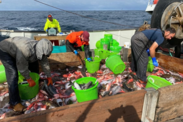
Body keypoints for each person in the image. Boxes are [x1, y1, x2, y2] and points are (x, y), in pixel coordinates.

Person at [0, 37, 53, 112]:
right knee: (13, 73)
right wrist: (29, 79)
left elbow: (44, 62)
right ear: (38, 50)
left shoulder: (42, 48)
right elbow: (21, 67)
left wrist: (49, 76)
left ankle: (35, 82)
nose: (43, 55)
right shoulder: (25, 50)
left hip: (17, 49)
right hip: (4, 50)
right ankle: (14, 102)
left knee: (34, 64)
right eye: (43, 54)